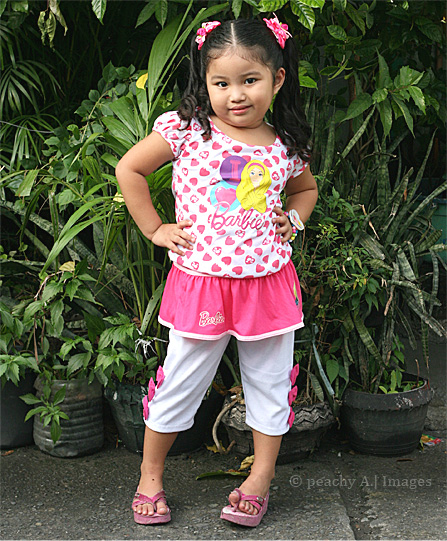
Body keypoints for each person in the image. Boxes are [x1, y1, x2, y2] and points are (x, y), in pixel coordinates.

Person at [115, 16, 318, 528]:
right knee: (180, 382)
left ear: (277, 79)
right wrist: (156, 228)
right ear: (204, 83)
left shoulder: (285, 143)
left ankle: (259, 480)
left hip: (268, 287)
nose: (236, 95)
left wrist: (293, 220)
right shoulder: (187, 130)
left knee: (270, 385)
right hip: (202, 284)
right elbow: (130, 169)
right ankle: (149, 476)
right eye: (221, 83)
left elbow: (306, 189)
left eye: (250, 80)